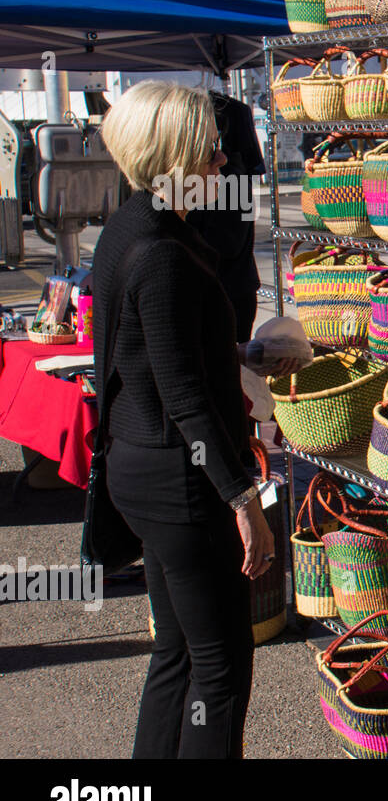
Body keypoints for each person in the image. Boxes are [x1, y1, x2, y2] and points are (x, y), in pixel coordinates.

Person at [94, 81, 291, 759]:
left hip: (142, 464)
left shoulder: (132, 227)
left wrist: (236, 351)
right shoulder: (163, 254)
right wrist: (243, 500)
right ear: (172, 156)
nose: (224, 164)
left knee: (178, 655)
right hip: (180, 477)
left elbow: (158, 351)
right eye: (211, 152)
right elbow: (184, 398)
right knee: (220, 668)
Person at [186, 91, 266, 344]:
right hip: (228, 289)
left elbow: (226, 243)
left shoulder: (230, 176)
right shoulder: (229, 173)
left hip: (229, 291)